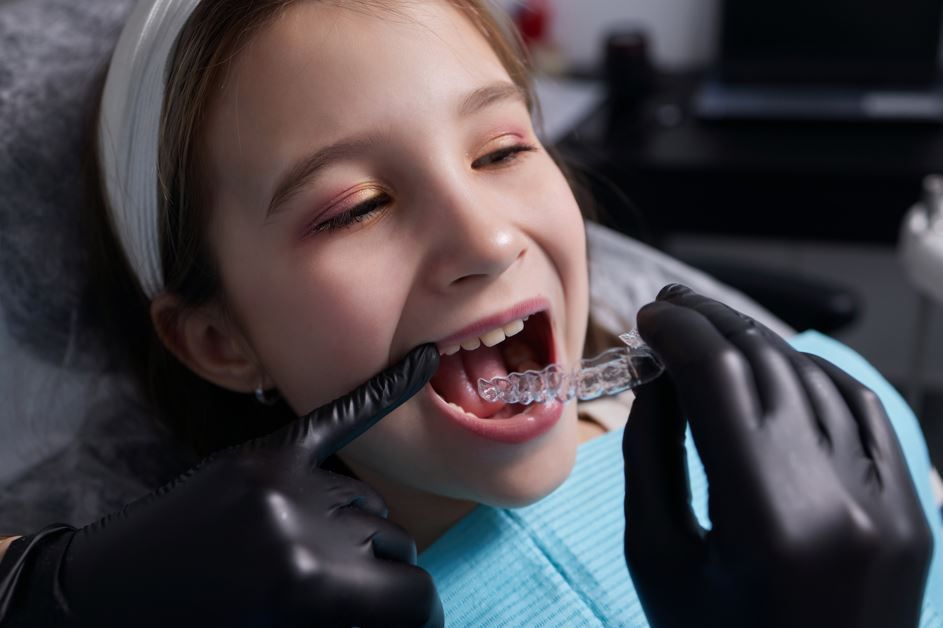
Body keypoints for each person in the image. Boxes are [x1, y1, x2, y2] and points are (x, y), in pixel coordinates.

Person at [0, 0, 940, 625]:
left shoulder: (841, 434)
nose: (487, 241)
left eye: (499, 150)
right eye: (355, 207)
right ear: (219, 339)